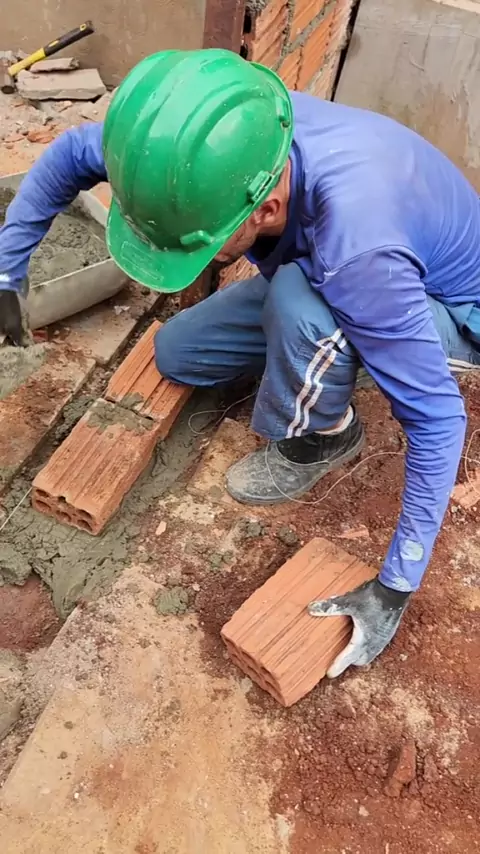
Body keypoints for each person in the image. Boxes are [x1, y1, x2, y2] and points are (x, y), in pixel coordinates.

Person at [1, 49, 479, 678]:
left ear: (267, 212)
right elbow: (69, 153)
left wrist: (395, 587)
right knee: (178, 352)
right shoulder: (214, 146)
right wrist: (8, 271)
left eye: (200, 244)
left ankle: (325, 438)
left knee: (302, 302)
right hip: (329, 269)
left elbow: (439, 420)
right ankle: (328, 345)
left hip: (447, 313)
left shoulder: (357, 253)